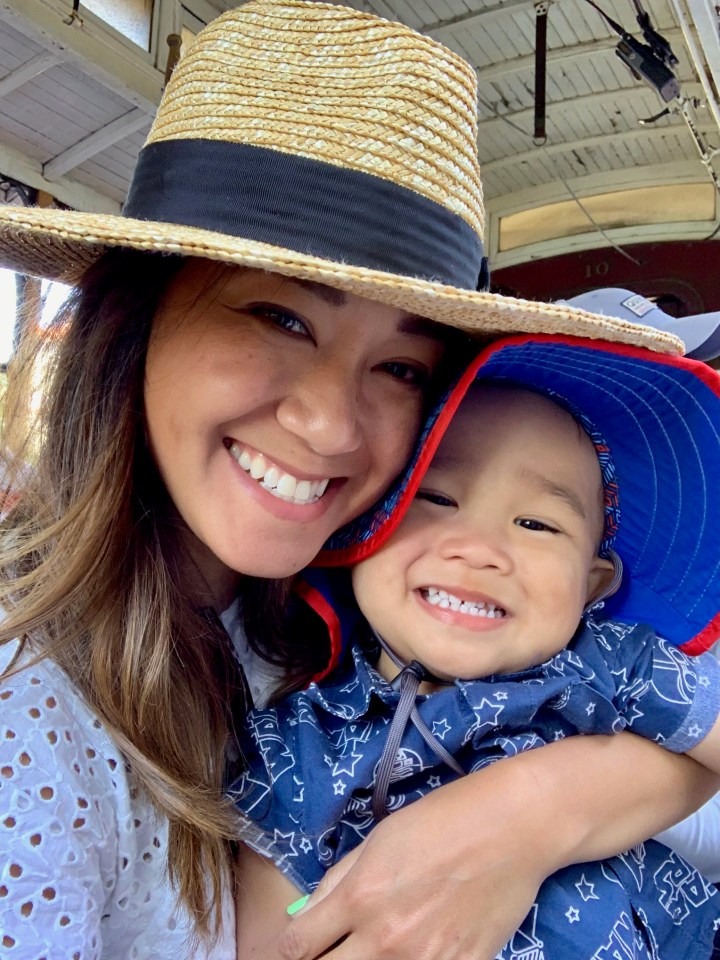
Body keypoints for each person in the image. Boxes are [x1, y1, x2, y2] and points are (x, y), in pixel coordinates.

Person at [0, 2, 716, 958]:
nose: (332, 425)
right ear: (138, 318)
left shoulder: (339, 601)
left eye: (402, 367)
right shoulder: (28, 703)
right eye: (281, 318)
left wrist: (528, 812)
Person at [232, 332, 720, 958]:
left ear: (592, 584)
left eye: (537, 524)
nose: (480, 549)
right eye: (435, 498)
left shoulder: (616, 662)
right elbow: (281, 941)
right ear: (363, 530)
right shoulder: (296, 743)